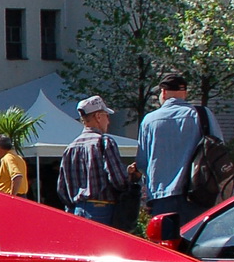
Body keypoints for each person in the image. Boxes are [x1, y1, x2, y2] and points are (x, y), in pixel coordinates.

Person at [133, 73, 220, 224]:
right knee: (194, 238)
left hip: (161, 196)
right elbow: (218, 150)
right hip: (198, 195)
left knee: (165, 238)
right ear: (185, 93)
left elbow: (142, 163)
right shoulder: (203, 115)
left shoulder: (149, 120)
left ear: (163, 92)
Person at [57, 96, 131, 226]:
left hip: (77, 210)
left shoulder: (70, 148)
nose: (108, 121)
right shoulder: (104, 142)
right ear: (98, 116)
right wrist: (130, 177)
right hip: (103, 209)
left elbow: (61, 189)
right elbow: (118, 181)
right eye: (106, 116)